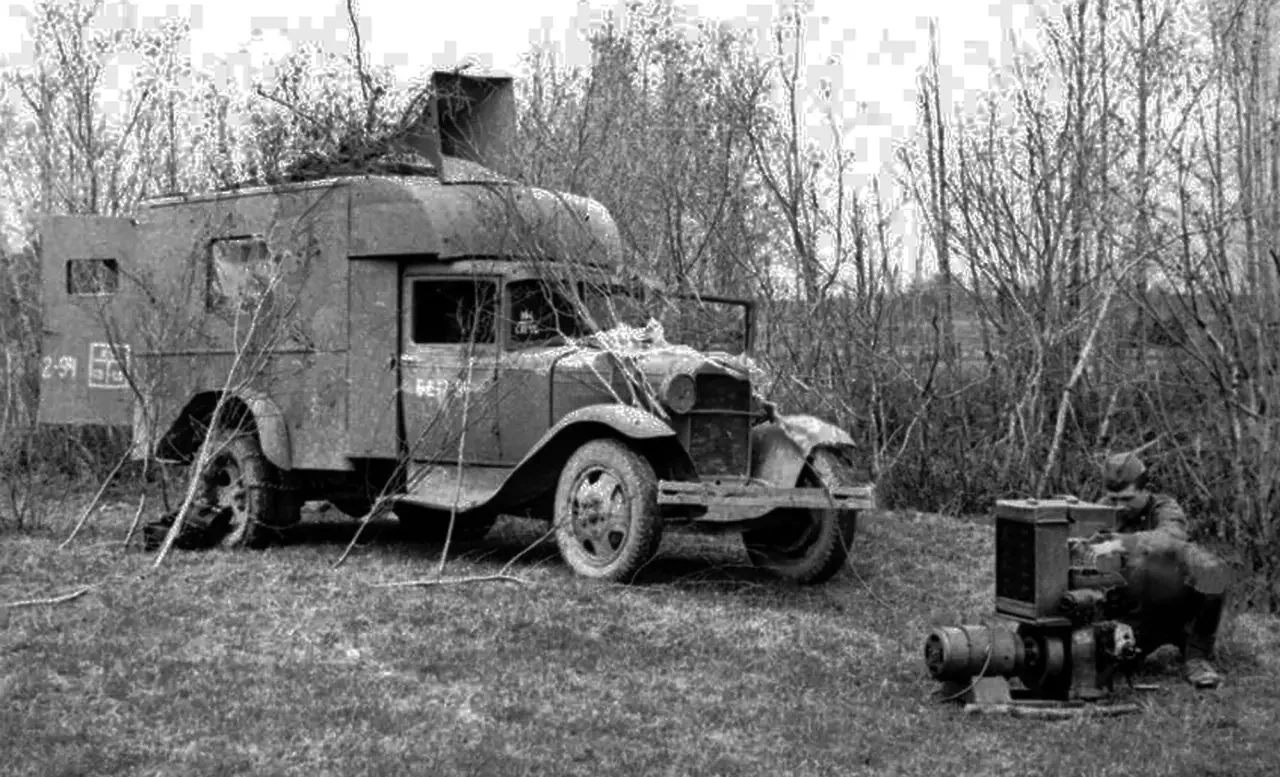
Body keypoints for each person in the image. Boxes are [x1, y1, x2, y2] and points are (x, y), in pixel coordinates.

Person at [1088, 452, 1231, 689]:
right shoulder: (1100, 511)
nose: (1119, 506)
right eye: (1113, 499)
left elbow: (1171, 538)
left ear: (1146, 490)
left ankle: (1197, 656)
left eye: (1127, 498)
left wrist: (1122, 542)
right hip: (1127, 611)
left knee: (1211, 570)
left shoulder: (1165, 507)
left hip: (1171, 604)